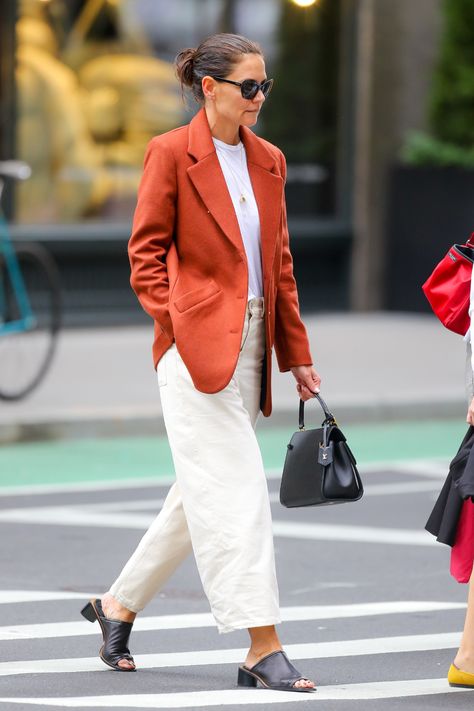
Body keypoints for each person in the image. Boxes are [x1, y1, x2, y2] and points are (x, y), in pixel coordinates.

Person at [81, 33, 321, 692]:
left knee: (200, 493)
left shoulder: (268, 160)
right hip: (191, 350)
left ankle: (115, 605)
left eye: (265, 85)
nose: (260, 98)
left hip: (249, 346)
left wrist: (295, 353)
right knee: (237, 486)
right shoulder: (170, 153)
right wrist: (179, 321)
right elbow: (145, 256)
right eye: (250, 86)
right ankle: (261, 644)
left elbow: (281, 264)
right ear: (209, 87)